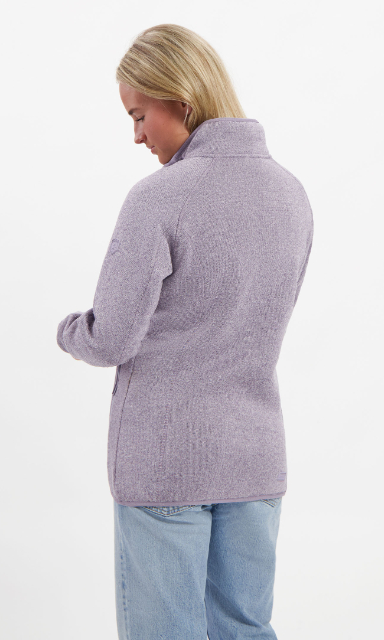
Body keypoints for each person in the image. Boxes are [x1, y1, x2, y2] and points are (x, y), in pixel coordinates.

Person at [57, 23, 314, 640]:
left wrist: (68, 332)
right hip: (256, 459)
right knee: (246, 629)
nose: (137, 135)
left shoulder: (159, 198)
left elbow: (111, 338)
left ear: (182, 100)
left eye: (139, 115)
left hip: (165, 461)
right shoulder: (292, 195)